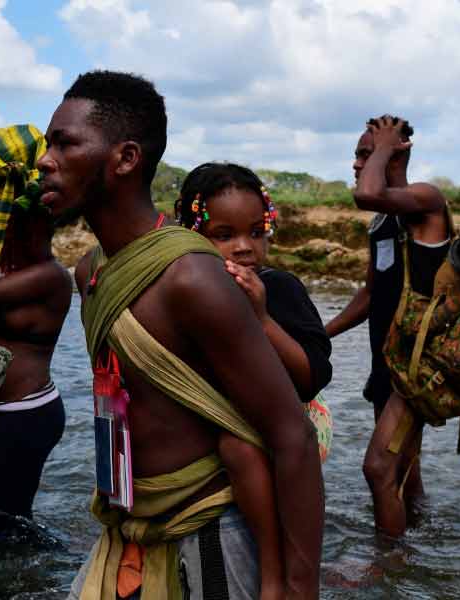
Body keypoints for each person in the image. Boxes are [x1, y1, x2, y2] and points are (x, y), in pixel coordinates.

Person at [38, 70, 323, 600]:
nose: (44, 159)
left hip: (208, 537)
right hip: (128, 531)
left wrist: (296, 586)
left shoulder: (191, 278)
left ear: (125, 159)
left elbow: (293, 434)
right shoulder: (91, 270)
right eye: (48, 142)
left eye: (65, 143)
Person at [174, 162, 333, 597]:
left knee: (237, 447)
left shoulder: (279, 287)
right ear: (189, 236)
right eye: (224, 235)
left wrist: (261, 318)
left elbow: (312, 375)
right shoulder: (186, 293)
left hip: (298, 424)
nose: (244, 248)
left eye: (255, 233)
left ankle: (273, 571)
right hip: (237, 424)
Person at [325, 115, 450, 537]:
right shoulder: (382, 223)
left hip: (419, 368)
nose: (358, 164)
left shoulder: (427, 203)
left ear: (399, 150)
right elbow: (369, 295)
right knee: (404, 472)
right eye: (359, 154)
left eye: (365, 153)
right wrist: (318, 335)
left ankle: (390, 567)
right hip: (388, 362)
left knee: (378, 468)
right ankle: (423, 538)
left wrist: (384, 146)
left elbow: (368, 193)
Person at [0, 124, 72, 535]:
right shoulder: (21, 274)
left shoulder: (51, 276)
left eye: (10, 227)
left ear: (30, 228)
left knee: (6, 524)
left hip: (27, 413)